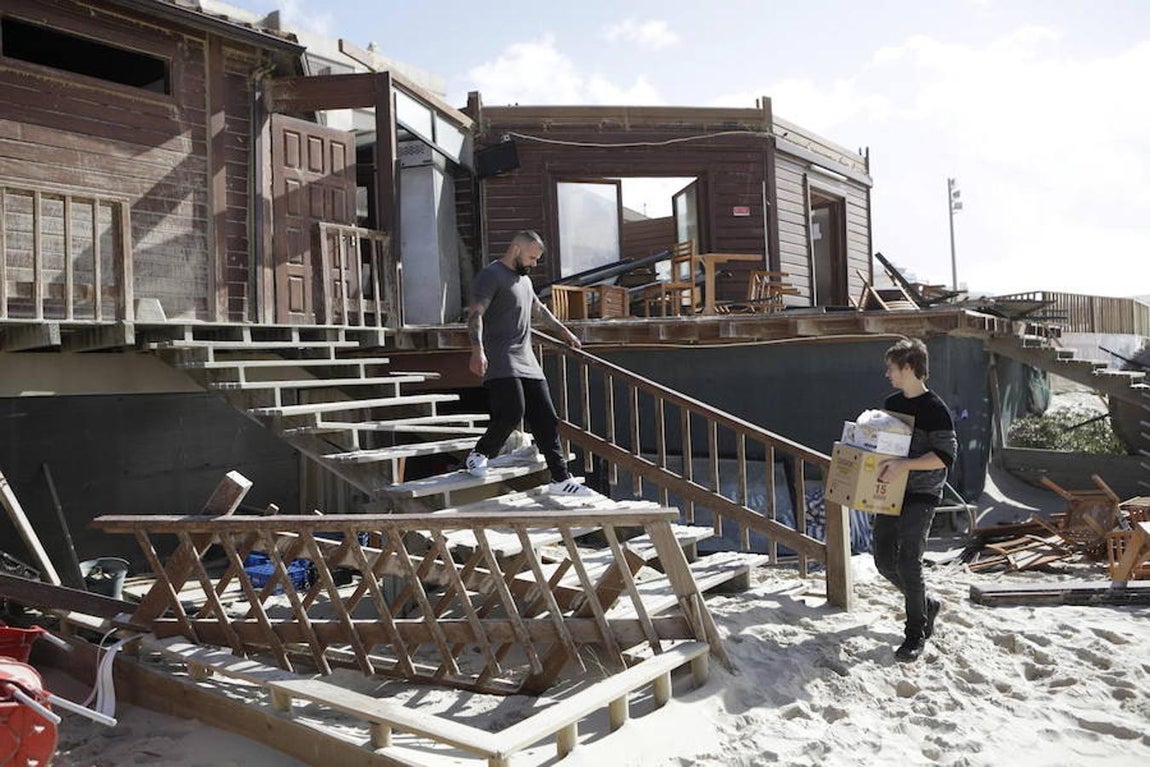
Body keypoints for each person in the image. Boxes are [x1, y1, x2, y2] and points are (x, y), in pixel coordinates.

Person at [464, 230, 594, 497]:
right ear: (515, 249)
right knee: (512, 412)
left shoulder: (524, 280)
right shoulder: (491, 275)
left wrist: (565, 333)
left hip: (527, 358)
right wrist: (477, 350)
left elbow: (539, 310)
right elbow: (476, 314)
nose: (534, 264)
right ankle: (479, 454)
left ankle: (560, 479)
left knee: (546, 417)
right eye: (532, 257)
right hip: (501, 356)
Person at [873, 338, 957, 662]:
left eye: (891, 368)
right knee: (883, 560)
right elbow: (883, 445)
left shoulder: (935, 409)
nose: (887, 374)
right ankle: (926, 603)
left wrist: (905, 465)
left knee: (909, 559)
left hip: (922, 492)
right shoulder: (892, 403)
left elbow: (945, 456)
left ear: (908, 368)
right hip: (890, 491)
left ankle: (915, 634)